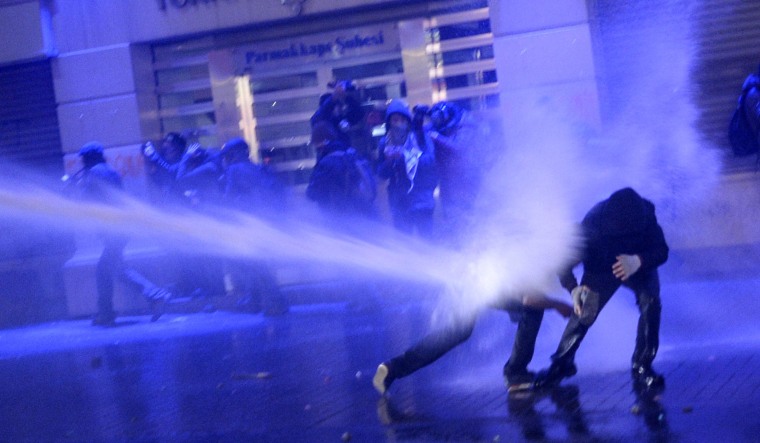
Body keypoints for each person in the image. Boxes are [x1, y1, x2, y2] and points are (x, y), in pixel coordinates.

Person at [534, 187, 669, 395]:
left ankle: (643, 365)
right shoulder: (591, 225)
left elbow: (662, 251)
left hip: (638, 265)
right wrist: (574, 289)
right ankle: (562, 364)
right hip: (601, 269)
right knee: (585, 307)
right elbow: (564, 263)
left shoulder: (646, 215)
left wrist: (639, 260)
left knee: (651, 303)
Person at [372, 294, 572, 394]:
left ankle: (393, 367)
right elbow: (529, 297)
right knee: (534, 308)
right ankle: (516, 374)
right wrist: (557, 304)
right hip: (484, 280)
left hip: (471, 275)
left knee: (458, 332)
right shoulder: (544, 253)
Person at [73, 142, 171, 326]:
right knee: (116, 268)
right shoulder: (108, 171)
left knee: (105, 270)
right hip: (120, 228)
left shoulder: (94, 173)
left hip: (112, 230)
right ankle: (152, 296)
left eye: (83, 158)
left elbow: (86, 200)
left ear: (89, 158)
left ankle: (109, 313)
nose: (82, 162)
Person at [219, 137, 289, 315]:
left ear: (234, 154)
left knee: (256, 265)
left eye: (228, 155)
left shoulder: (234, 170)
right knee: (262, 264)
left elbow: (228, 198)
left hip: (248, 225)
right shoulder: (258, 168)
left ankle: (275, 303)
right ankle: (258, 300)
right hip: (264, 222)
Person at [376, 99, 438, 239]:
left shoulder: (420, 138)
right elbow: (381, 174)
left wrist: (405, 156)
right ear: (389, 122)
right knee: (404, 242)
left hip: (421, 198)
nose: (398, 123)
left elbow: (431, 161)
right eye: (394, 120)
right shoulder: (384, 143)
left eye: (401, 119)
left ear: (407, 120)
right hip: (399, 202)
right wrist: (388, 161)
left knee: (427, 240)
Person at [306, 121, 376, 219]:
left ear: (320, 141)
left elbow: (311, 193)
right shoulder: (352, 153)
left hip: (340, 217)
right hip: (364, 214)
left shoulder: (327, 162)